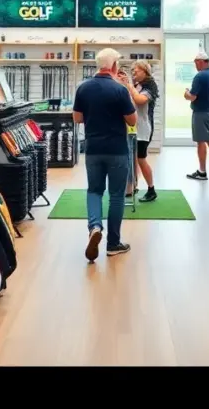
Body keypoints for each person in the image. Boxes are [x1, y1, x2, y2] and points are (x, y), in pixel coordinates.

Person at [73, 48, 137, 262]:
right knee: (117, 195)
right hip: (117, 149)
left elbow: (77, 118)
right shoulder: (119, 90)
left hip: (93, 149)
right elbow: (132, 120)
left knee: (94, 191)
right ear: (114, 66)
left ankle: (94, 227)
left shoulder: (83, 88)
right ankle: (113, 244)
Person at [122, 59, 159, 202]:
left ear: (145, 71)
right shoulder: (138, 85)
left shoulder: (151, 86)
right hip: (134, 128)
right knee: (134, 159)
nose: (133, 74)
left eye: (136, 71)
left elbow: (139, 100)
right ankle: (133, 186)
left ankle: (151, 190)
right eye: (132, 72)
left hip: (144, 129)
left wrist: (129, 85)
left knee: (141, 159)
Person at [185, 50, 209, 182]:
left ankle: (202, 171)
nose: (195, 65)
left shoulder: (200, 76)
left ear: (201, 62)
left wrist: (186, 94)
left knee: (201, 142)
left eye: (196, 62)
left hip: (201, 113)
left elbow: (193, 96)